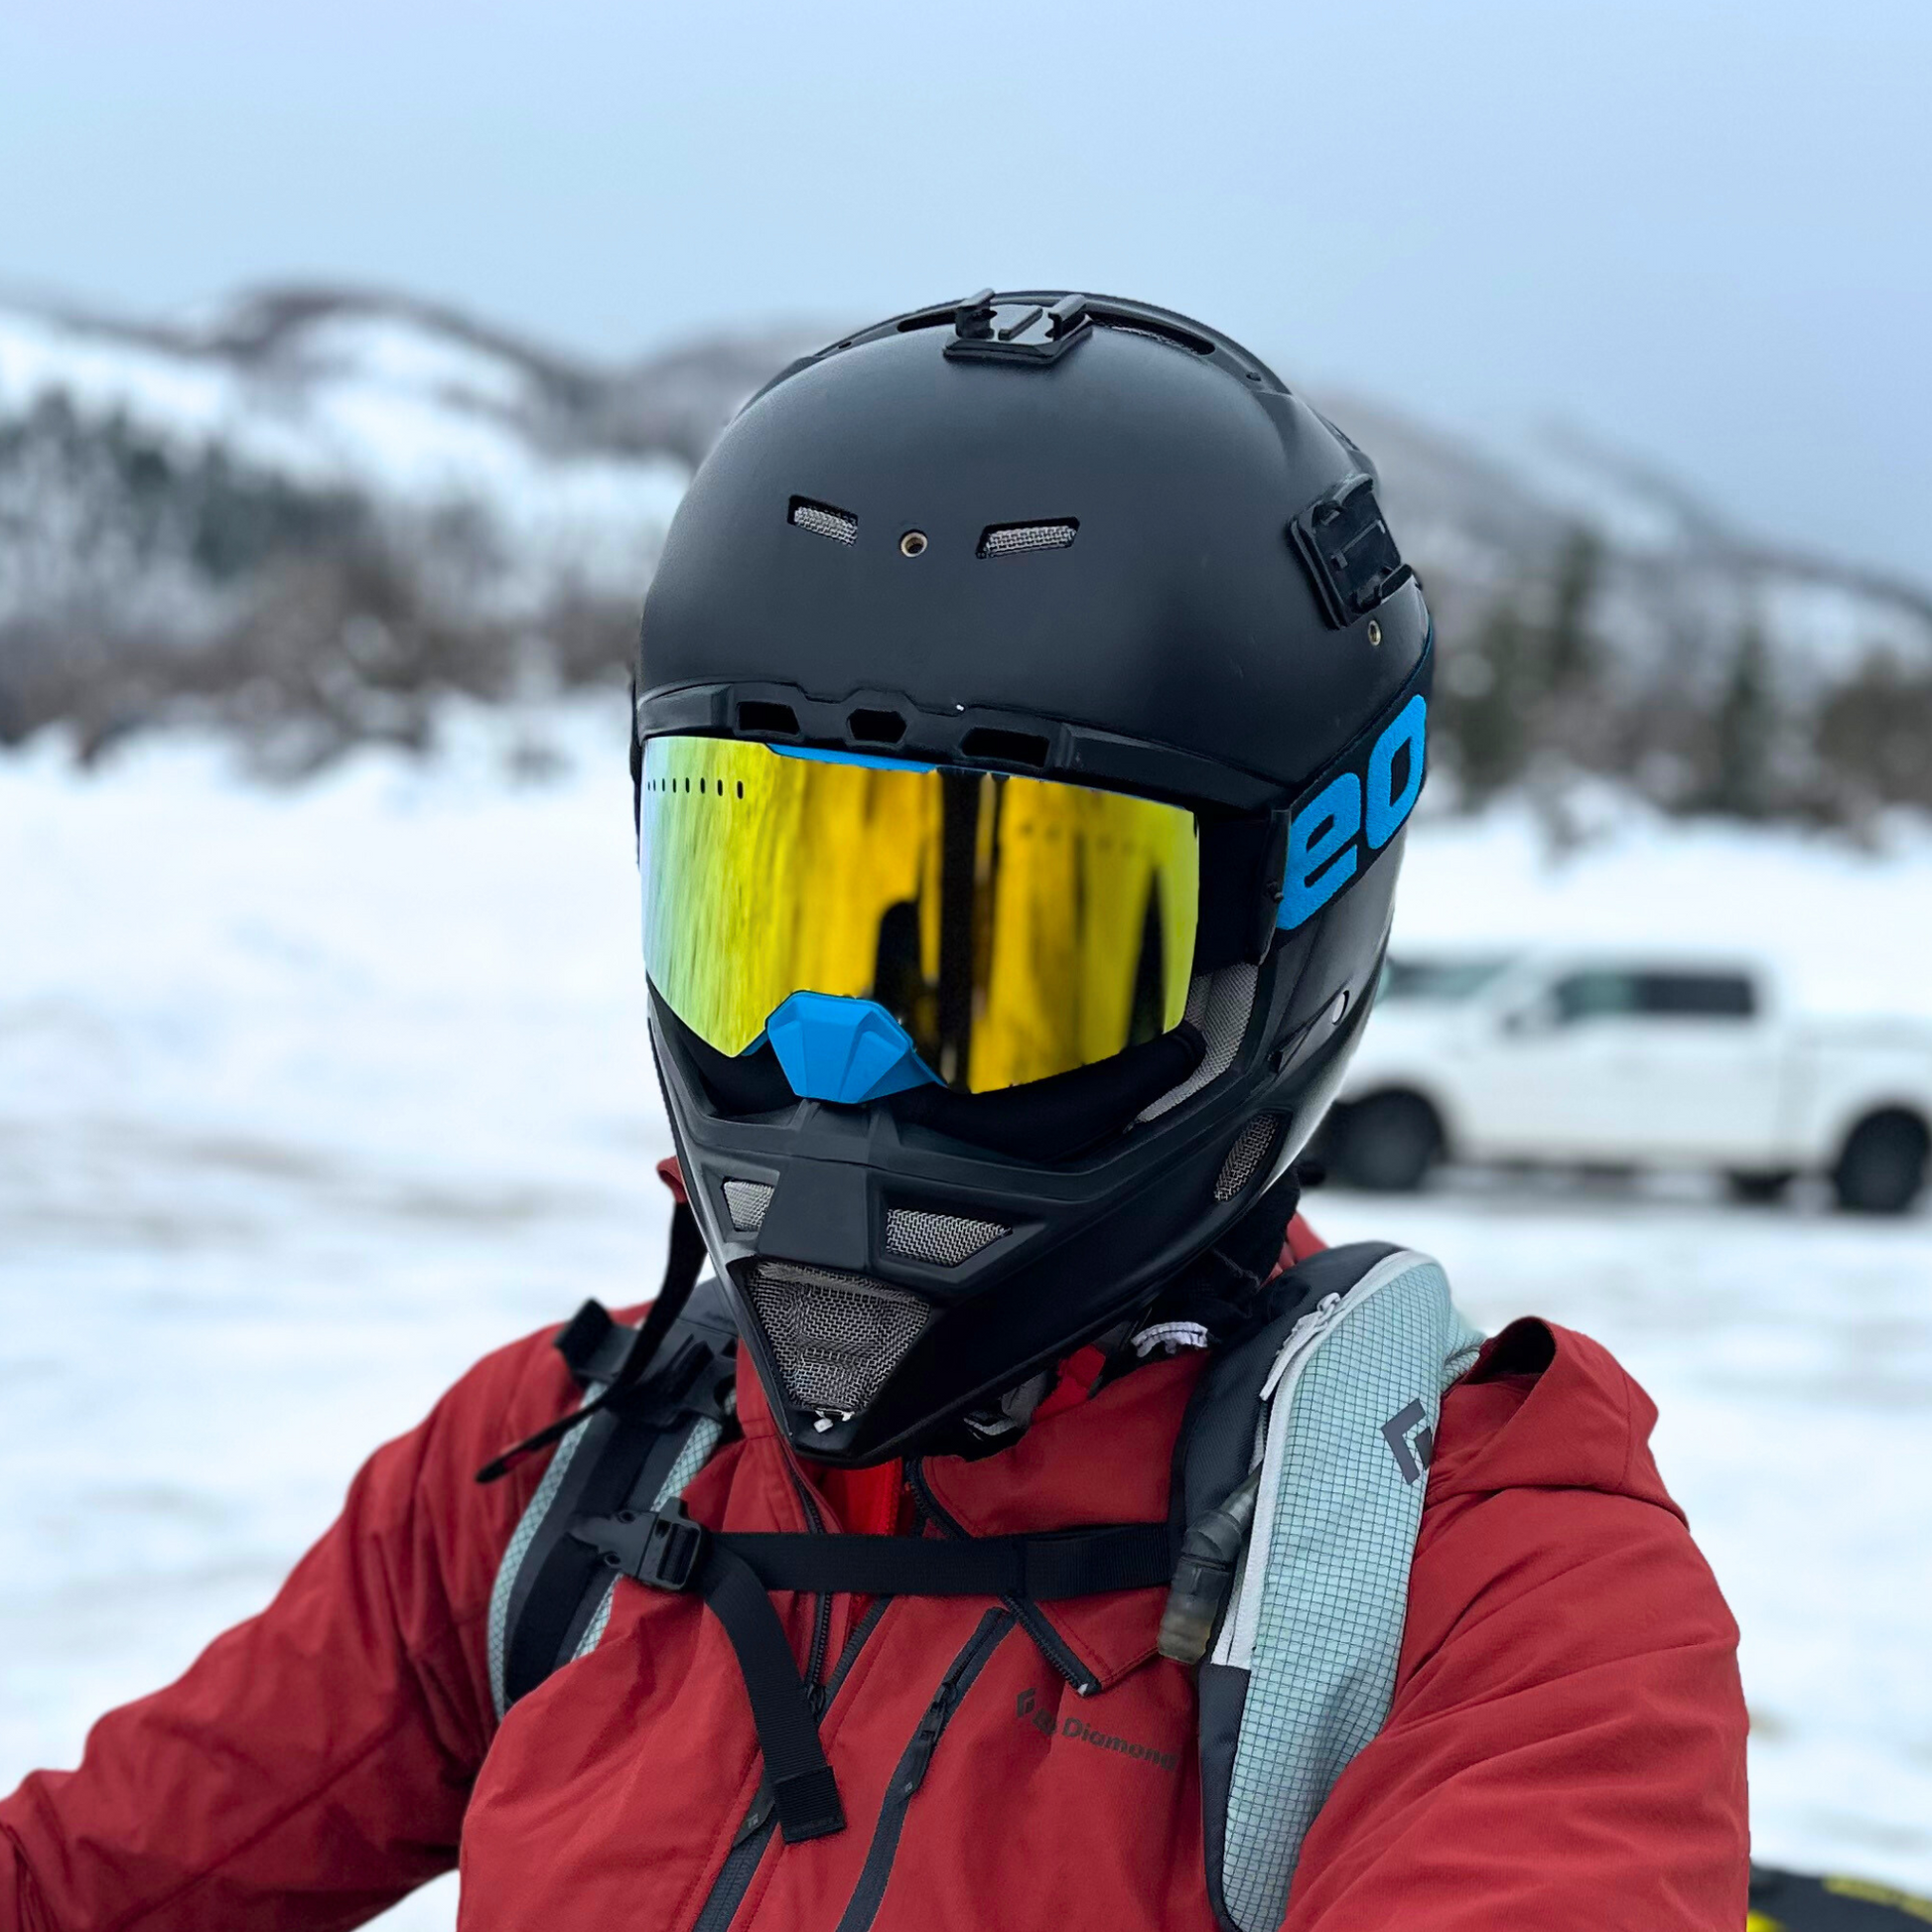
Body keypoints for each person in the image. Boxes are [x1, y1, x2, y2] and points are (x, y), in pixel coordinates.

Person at [0, 291, 1749, 1930]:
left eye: (1002, 959)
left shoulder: (1475, 1566)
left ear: (1283, 931)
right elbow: (92, 1872)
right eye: (768, 921)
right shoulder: (572, 1463)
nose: (841, 1063)